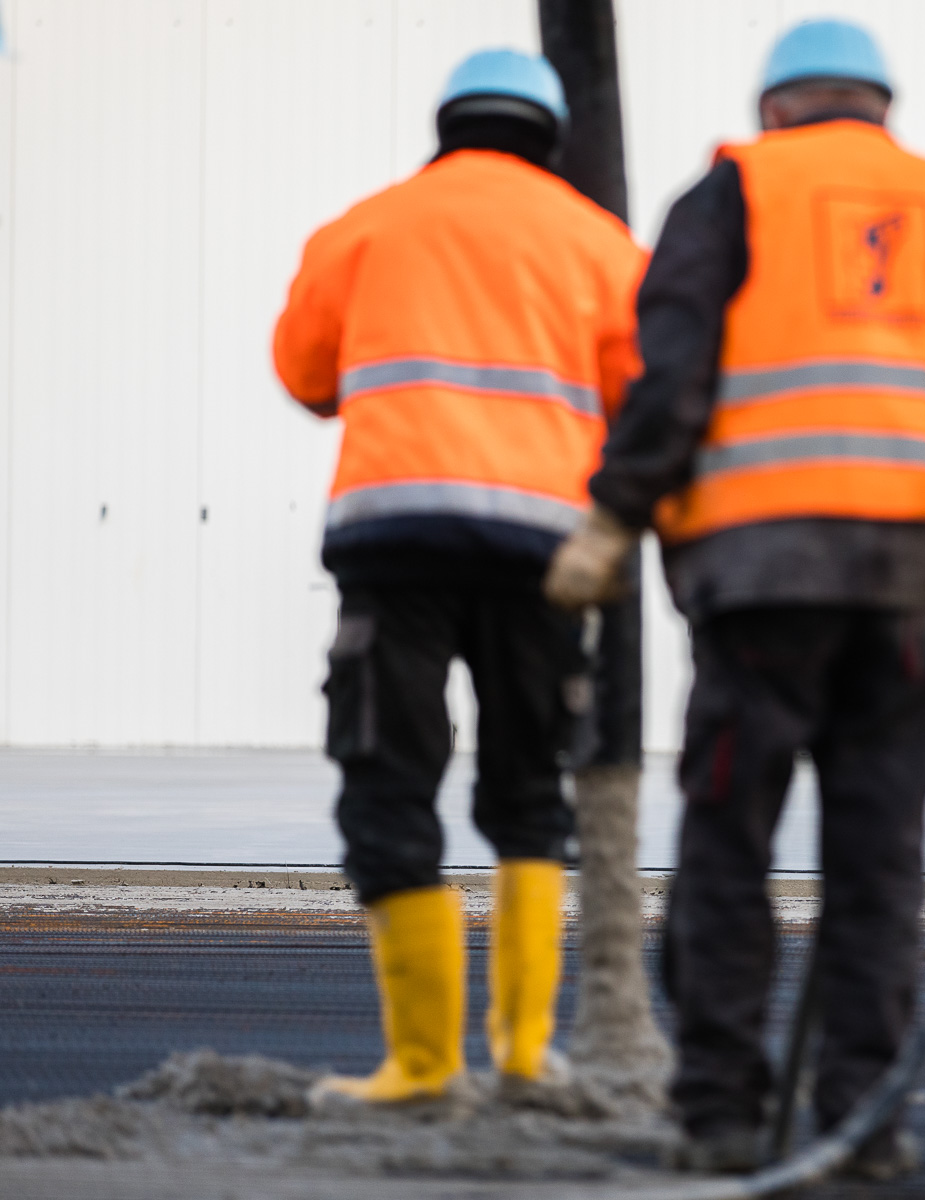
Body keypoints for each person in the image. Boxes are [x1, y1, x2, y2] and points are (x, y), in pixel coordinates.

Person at [542, 18, 925, 1178]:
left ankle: (719, 1112)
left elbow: (673, 376)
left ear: (775, 109)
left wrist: (615, 513)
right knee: (879, 854)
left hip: (764, 582)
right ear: (880, 107)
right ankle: (864, 1122)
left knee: (730, 837)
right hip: (919, 585)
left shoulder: (732, 190)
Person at [271, 49, 647, 1105]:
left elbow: (305, 373)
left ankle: (421, 1065)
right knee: (530, 787)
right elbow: (643, 391)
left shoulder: (365, 227)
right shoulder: (598, 242)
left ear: (447, 127)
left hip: (395, 537)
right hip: (543, 547)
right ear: (550, 134)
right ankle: (525, 1057)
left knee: (389, 773)